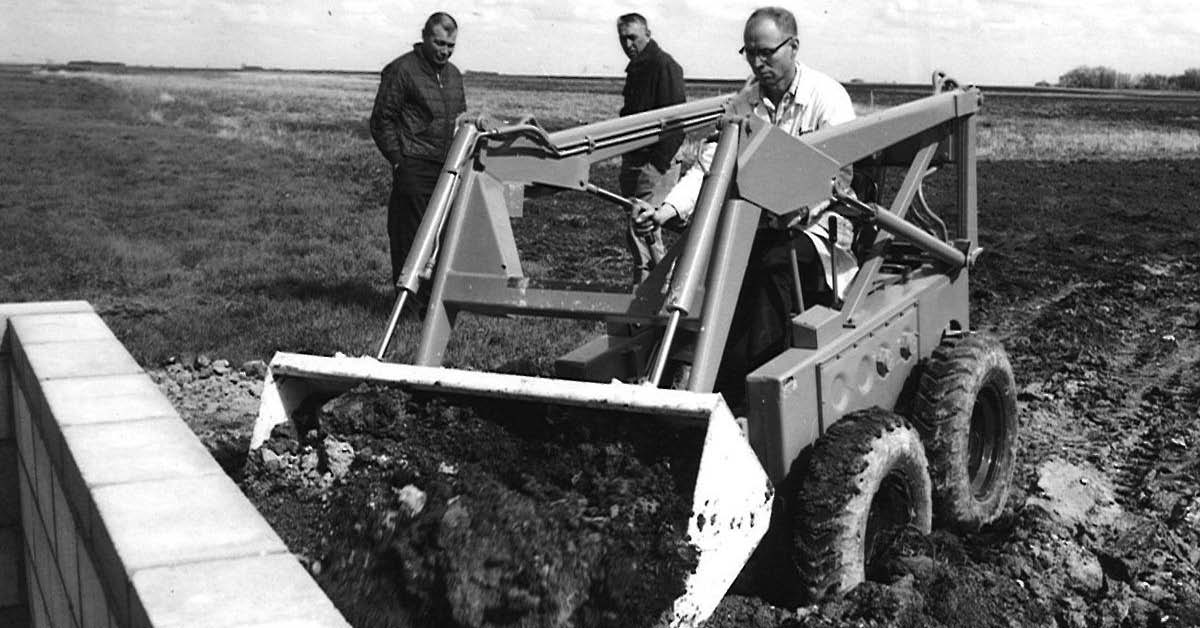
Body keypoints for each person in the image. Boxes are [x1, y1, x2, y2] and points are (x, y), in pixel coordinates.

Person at [630, 6, 857, 402]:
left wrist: (789, 205)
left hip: (816, 229)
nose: (757, 62)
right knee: (714, 266)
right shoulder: (744, 103)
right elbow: (709, 169)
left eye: (767, 52)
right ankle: (694, 378)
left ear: (794, 47)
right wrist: (665, 210)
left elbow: (837, 179)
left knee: (771, 269)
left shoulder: (827, 98)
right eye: (750, 52)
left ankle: (754, 395)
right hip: (759, 225)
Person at [370, 12, 467, 298]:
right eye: (439, 43)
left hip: (447, 169)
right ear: (424, 37)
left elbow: (460, 118)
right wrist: (400, 161)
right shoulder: (401, 69)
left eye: (450, 46)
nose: (444, 51)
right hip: (413, 166)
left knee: (440, 239)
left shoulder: (454, 76)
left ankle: (430, 308)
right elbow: (381, 120)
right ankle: (407, 307)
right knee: (409, 239)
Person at [616, 13, 687, 284]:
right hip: (635, 160)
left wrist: (657, 164)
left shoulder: (665, 66)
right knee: (650, 222)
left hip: (656, 161)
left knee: (642, 224)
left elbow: (676, 121)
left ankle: (653, 288)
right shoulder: (636, 68)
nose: (628, 44)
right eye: (623, 38)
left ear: (648, 33)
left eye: (632, 37)